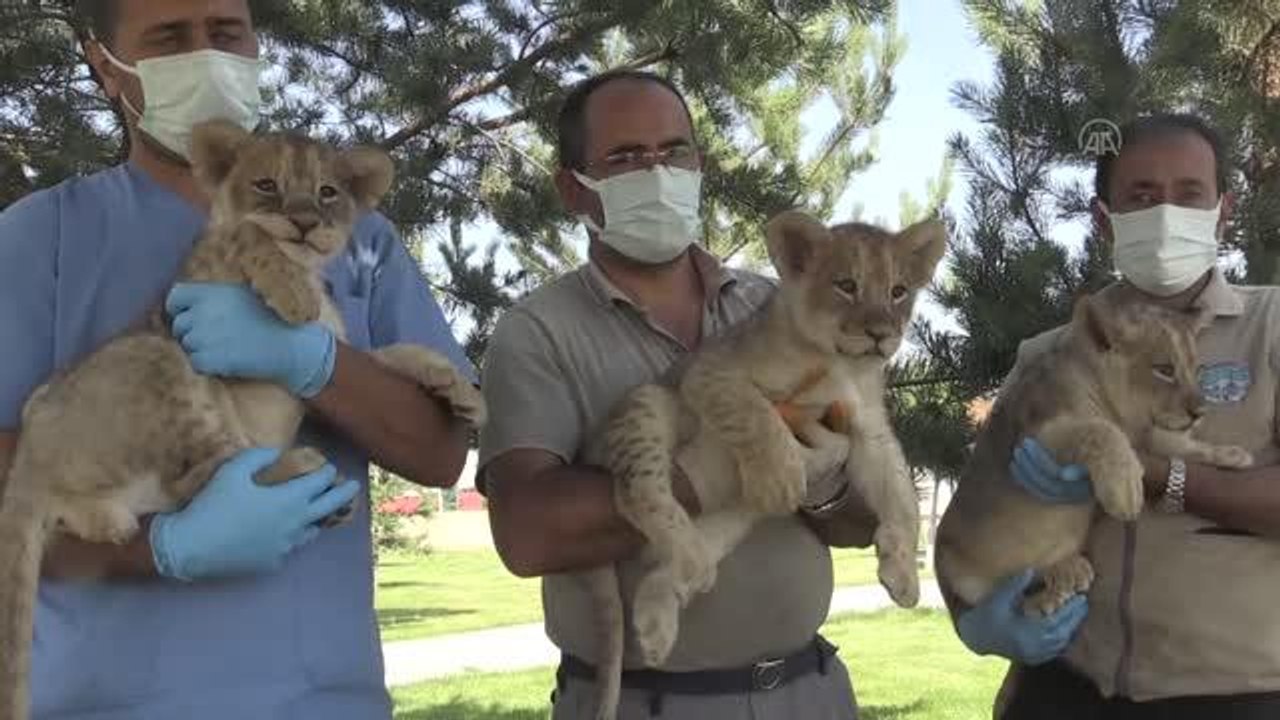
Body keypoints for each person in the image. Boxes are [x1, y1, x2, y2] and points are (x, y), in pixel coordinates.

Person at [0, 0, 475, 717]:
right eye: (169, 38)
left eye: (226, 33)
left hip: (322, 699)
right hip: (105, 703)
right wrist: (164, 550)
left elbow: (442, 455)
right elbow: (16, 494)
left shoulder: (359, 234)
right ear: (105, 65)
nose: (207, 54)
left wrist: (315, 362)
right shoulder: (41, 237)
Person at [478, 69, 884, 720]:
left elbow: (866, 519)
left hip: (813, 692)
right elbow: (528, 535)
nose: (657, 171)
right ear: (572, 190)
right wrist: (713, 470)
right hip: (648, 703)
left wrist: (825, 480)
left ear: (701, 165)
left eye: (675, 152)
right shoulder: (538, 332)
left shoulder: (780, 308)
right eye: (625, 158)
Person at [950, 113, 1280, 719]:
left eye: (1189, 194)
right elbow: (973, 508)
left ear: (1223, 210)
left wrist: (1161, 474)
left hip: (1238, 695)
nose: (1165, 214)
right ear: (1105, 219)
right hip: (1064, 691)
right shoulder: (1048, 356)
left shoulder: (1273, 328)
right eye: (1142, 196)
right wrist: (973, 621)